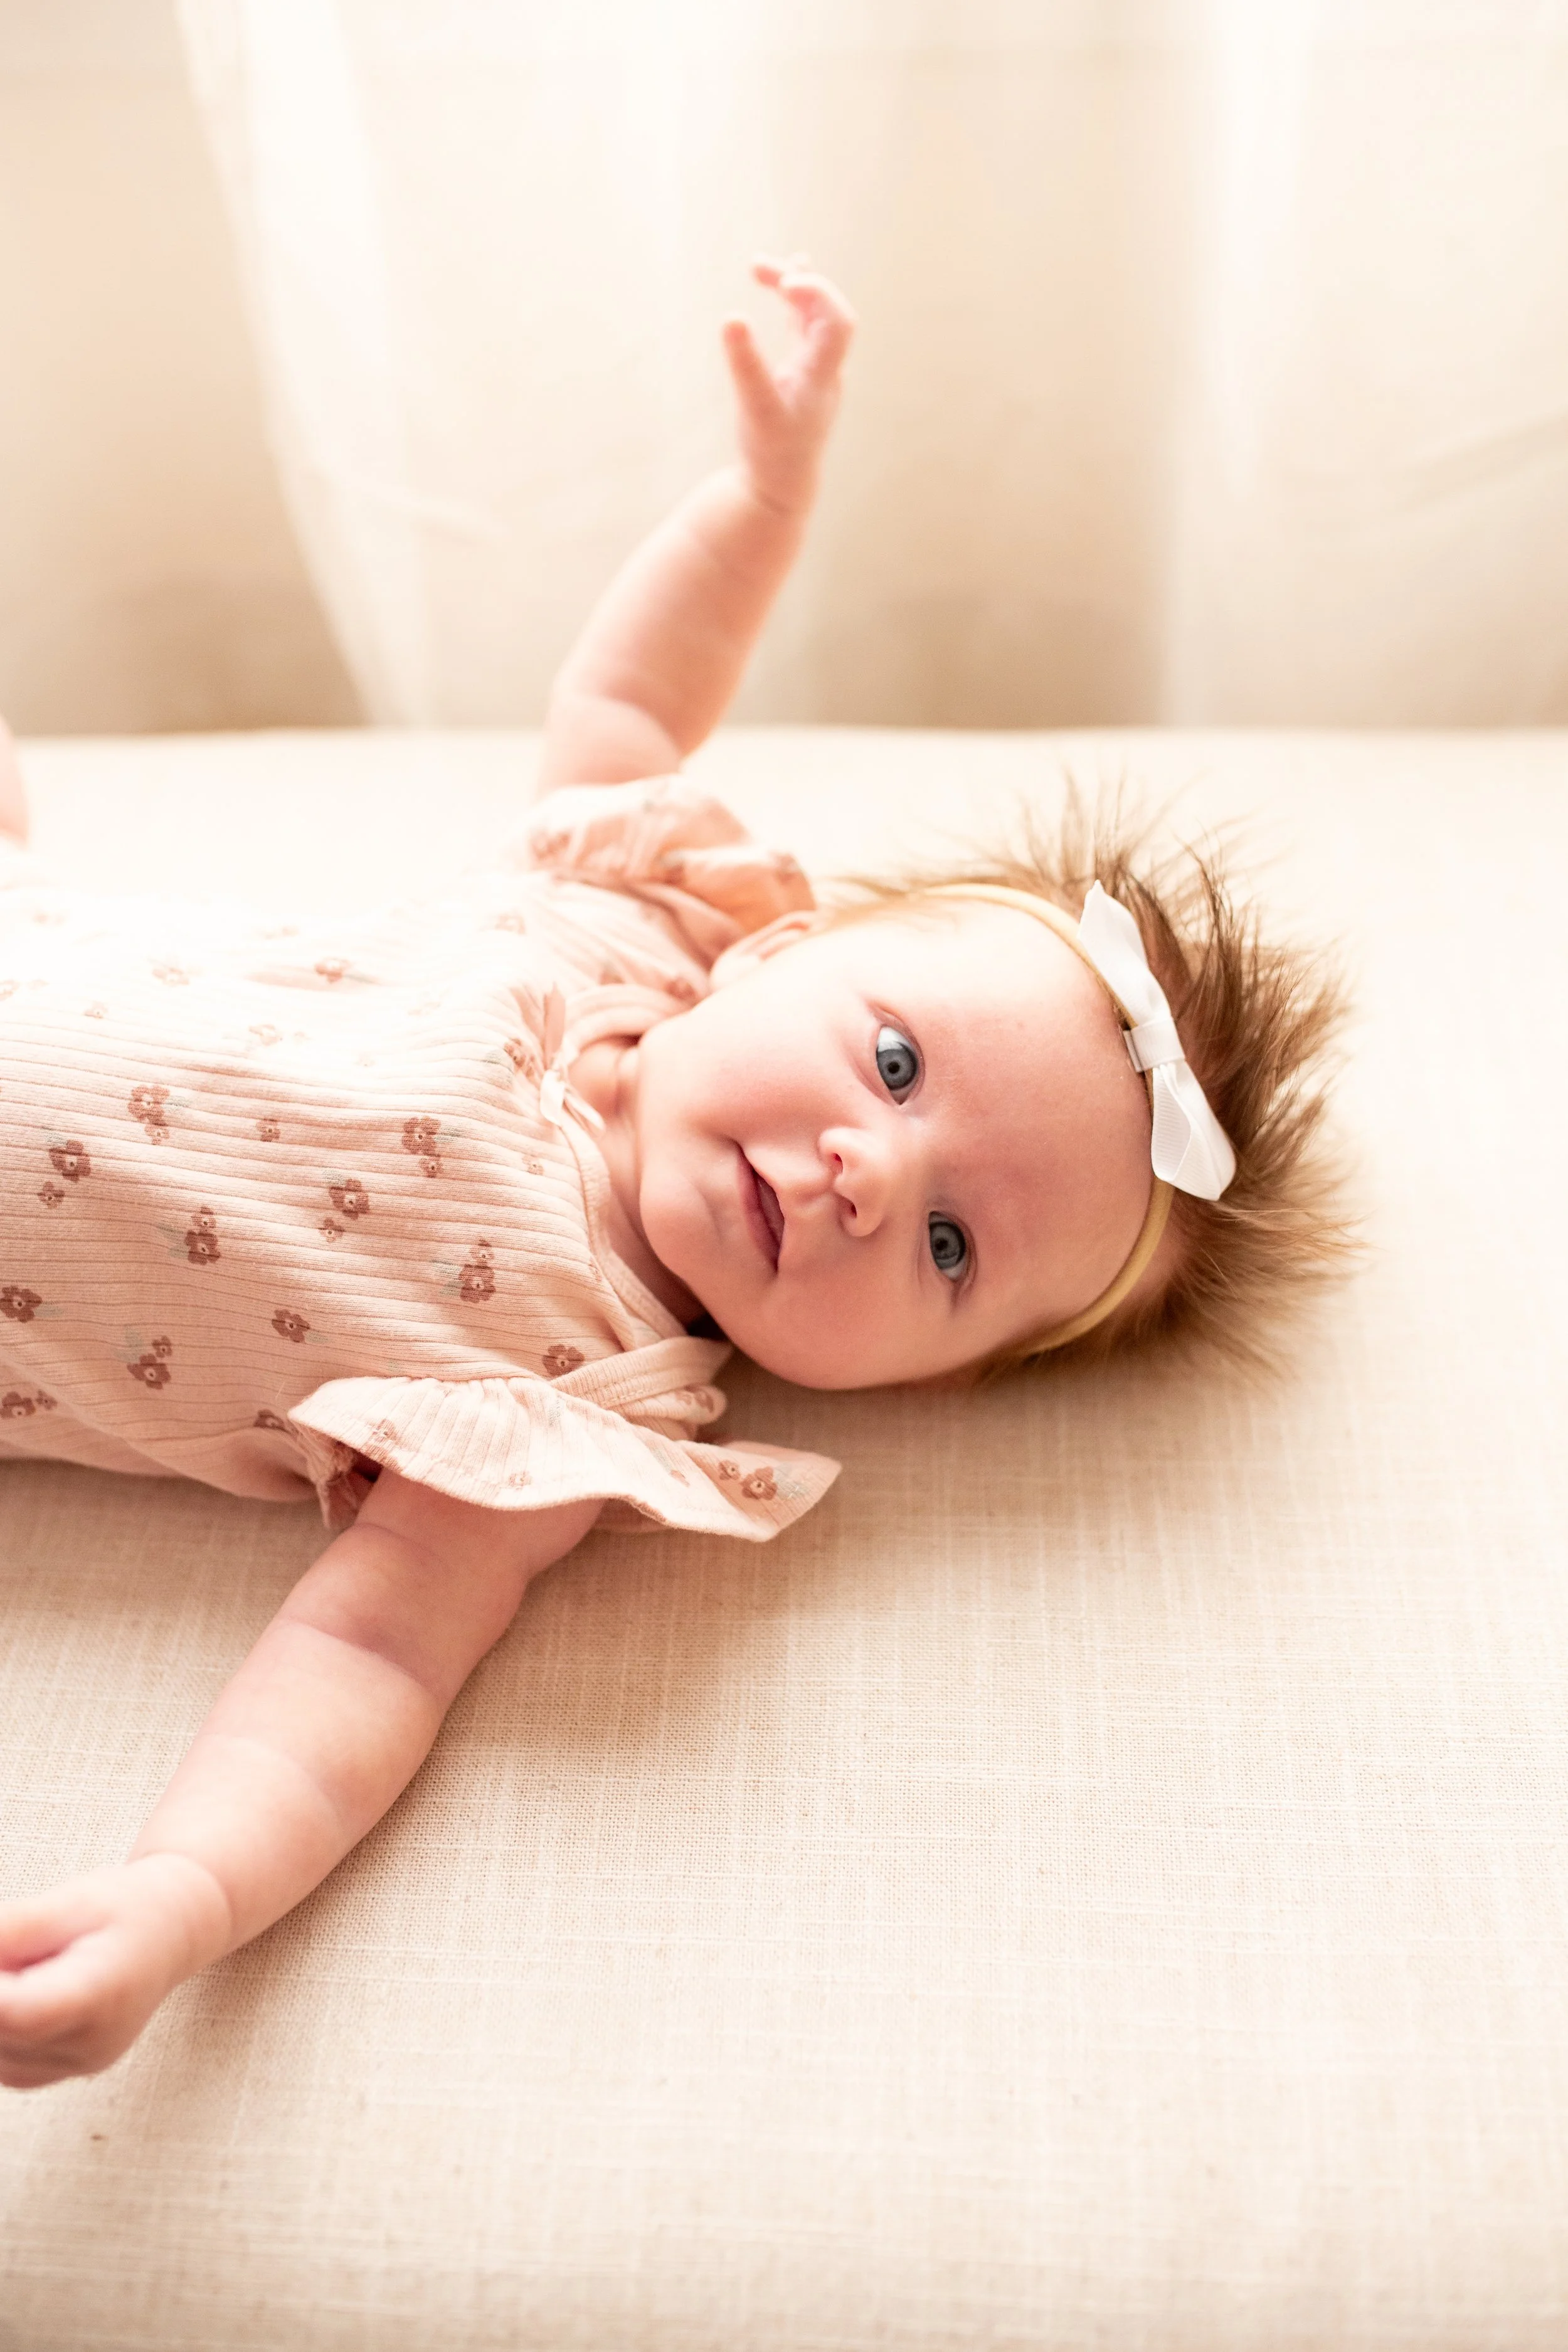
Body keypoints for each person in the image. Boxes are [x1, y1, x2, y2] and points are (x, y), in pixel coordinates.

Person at [0, 260, 1348, 2089]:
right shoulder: (616, 916)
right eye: (891, 1060)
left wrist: (181, 1896)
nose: (871, 1170)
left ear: (927, 1379)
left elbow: (367, 1674)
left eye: (952, 1243)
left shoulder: (575, 1400)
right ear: (771, 947)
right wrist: (764, 502)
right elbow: (630, 693)